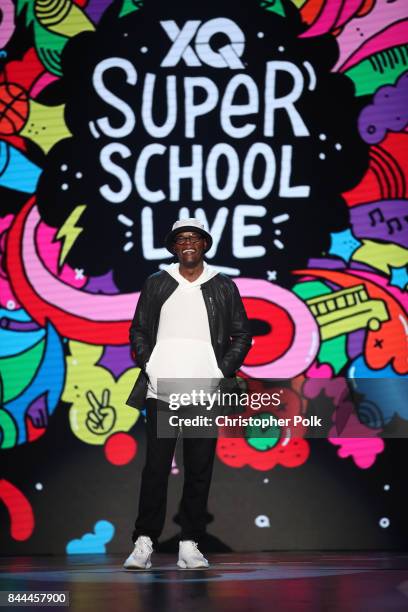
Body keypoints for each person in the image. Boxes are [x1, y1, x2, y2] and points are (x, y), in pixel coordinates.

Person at [123, 218, 252, 570]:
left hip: (204, 392)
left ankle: (189, 544)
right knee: (156, 467)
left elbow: (242, 334)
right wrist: (150, 363)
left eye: (195, 237)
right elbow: (138, 330)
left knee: (199, 468)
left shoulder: (222, 285)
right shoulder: (157, 283)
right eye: (182, 238)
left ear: (205, 244)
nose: (189, 243)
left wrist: (219, 370)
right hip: (162, 390)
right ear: (173, 247)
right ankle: (144, 542)